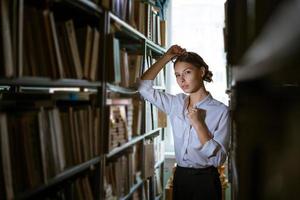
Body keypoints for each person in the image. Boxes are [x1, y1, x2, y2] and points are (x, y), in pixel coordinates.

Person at [138, 45, 230, 200]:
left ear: (201, 72)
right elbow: (143, 87)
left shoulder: (221, 111)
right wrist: (166, 57)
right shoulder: (175, 103)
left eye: (187, 72)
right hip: (180, 178)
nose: (182, 79)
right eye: (177, 75)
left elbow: (218, 159)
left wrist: (199, 124)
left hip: (206, 181)